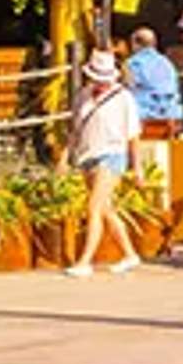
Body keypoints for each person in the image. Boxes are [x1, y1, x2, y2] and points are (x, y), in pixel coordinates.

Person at [65, 51, 142, 279]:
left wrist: (136, 166)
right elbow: (75, 129)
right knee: (106, 209)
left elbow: (133, 134)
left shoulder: (123, 98)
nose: (100, 83)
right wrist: (67, 155)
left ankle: (85, 260)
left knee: (94, 207)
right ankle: (129, 254)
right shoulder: (83, 95)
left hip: (112, 154)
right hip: (87, 153)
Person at [122, 27, 183, 189]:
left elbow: (128, 87)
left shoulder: (132, 63)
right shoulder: (166, 63)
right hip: (172, 115)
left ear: (135, 44)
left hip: (144, 116)